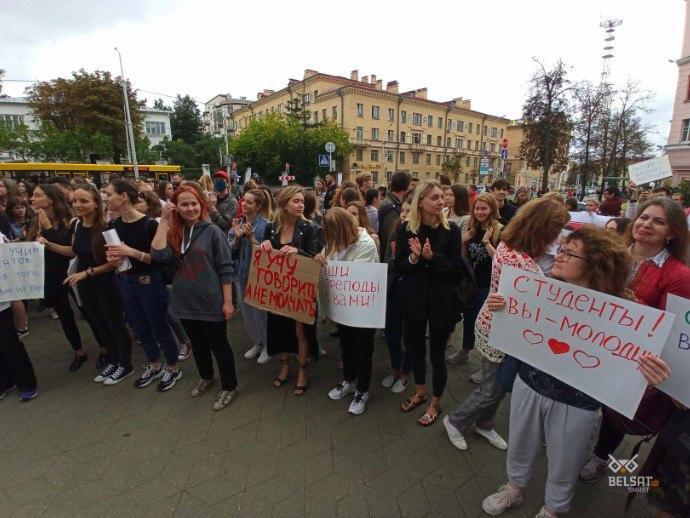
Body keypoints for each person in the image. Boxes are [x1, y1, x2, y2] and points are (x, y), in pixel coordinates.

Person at [481, 225, 672, 518]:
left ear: (596, 264)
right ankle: (514, 487)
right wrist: (502, 306)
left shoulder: (625, 307)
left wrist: (650, 371)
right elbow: (518, 325)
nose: (559, 257)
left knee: (565, 459)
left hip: (578, 401)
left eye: (570, 254)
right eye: (562, 249)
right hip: (530, 383)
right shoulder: (540, 286)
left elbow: (636, 354)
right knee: (520, 442)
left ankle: (553, 508)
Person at [444, 198, 569, 450]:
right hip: (499, 330)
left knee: (501, 384)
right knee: (493, 388)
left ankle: (485, 424)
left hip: (506, 327)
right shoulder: (519, 258)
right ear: (542, 228)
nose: (557, 237)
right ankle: (455, 421)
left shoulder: (511, 246)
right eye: (555, 230)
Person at [580, 198, 690, 482]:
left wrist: (637, 306)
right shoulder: (614, 253)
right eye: (644, 217)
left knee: (615, 411)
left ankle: (600, 456)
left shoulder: (678, 274)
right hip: (593, 339)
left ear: (673, 232)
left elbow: (672, 327)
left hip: (630, 356)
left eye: (658, 221)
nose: (646, 224)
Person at [150, 186, 238, 410]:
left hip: (211, 300)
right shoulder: (173, 232)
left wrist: (228, 302)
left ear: (201, 204)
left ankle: (229, 386)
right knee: (197, 345)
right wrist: (164, 220)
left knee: (220, 346)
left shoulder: (212, 231)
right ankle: (206, 376)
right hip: (185, 300)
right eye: (184, 204)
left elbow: (226, 268)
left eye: (194, 203)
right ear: (176, 207)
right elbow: (158, 255)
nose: (190, 208)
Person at [395, 181, 464, 426]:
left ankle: (436, 401)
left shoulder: (452, 231)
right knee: (415, 348)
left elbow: (455, 270)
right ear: (420, 202)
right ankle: (420, 390)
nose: (441, 201)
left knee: (436, 354)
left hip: (440, 302)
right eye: (435, 198)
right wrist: (413, 258)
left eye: (441, 197)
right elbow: (398, 266)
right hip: (414, 300)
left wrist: (432, 258)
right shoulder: (406, 230)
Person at [105, 180, 182, 392]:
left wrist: (130, 252)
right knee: (140, 327)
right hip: (126, 281)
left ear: (123, 197)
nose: (106, 198)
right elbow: (116, 257)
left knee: (159, 326)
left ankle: (174, 367)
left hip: (150, 282)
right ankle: (155, 364)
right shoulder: (113, 226)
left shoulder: (149, 224)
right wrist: (113, 260)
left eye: (109, 193)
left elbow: (160, 260)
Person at [62, 184, 134, 385]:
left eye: (84, 201)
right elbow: (75, 251)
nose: (78, 204)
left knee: (115, 324)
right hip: (85, 285)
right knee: (98, 323)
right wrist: (47, 244)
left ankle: (126, 364)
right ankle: (113, 359)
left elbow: (114, 263)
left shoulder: (106, 228)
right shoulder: (76, 224)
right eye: (75, 200)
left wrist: (86, 273)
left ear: (96, 204)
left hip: (105, 284)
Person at [260, 186, 322, 396]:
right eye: (296, 201)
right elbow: (267, 255)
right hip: (278, 289)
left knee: (300, 331)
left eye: (302, 201)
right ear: (284, 204)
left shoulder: (311, 227)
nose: (301, 205)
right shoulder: (271, 227)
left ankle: (303, 369)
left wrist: (298, 251)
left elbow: (316, 258)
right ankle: (285, 365)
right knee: (279, 329)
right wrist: (265, 245)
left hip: (300, 291)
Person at [317, 207, 379, 415]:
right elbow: (326, 261)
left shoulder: (365, 244)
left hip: (363, 312)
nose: (329, 238)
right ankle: (349, 380)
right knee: (347, 347)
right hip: (344, 308)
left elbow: (353, 276)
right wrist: (320, 259)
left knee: (363, 350)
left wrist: (328, 267)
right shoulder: (335, 242)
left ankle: (363, 390)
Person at [28, 184, 88, 370]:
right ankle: (79, 351)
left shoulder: (69, 220)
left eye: (37, 195)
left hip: (72, 272)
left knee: (86, 310)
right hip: (52, 276)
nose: (32, 199)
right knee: (64, 315)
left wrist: (47, 230)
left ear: (50, 199)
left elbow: (69, 250)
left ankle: (104, 348)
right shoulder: (36, 219)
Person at [446, 193, 502, 364]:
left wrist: (486, 242)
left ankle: (487, 363)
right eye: (477, 208)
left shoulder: (499, 230)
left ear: (492, 209)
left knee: (485, 325)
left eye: (484, 208)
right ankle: (466, 351)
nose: (479, 212)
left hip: (489, 286)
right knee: (469, 320)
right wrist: (462, 242)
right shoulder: (472, 228)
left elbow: (501, 260)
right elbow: (464, 258)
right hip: (471, 284)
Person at [230, 189, 271, 364]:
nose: (243, 204)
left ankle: (269, 345)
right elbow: (229, 249)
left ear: (259, 206)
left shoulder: (267, 225)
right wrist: (237, 238)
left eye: (249, 202)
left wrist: (252, 238)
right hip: (241, 273)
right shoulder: (238, 222)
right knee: (247, 311)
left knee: (261, 312)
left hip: (259, 276)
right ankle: (257, 342)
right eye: (243, 201)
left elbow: (269, 253)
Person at [0, 229, 38, 402]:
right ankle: (6, 381)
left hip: (2, 302)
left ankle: (27, 383)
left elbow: (7, 265)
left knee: (9, 344)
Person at [381, 194, 413, 394]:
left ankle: (406, 372)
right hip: (393, 289)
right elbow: (386, 261)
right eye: (402, 211)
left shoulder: (420, 235)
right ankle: (395, 368)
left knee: (409, 335)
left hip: (411, 293)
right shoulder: (394, 235)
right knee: (391, 333)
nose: (404, 214)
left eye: (409, 211)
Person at [378, 171, 411, 260]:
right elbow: (390, 235)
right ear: (406, 186)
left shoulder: (392, 202)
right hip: (390, 256)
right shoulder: (390, 207)